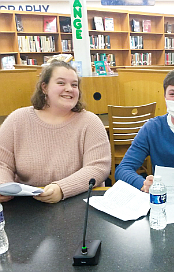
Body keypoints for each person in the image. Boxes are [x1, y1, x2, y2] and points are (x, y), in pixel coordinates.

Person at [0, 61, 111, 203]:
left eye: (74, 85)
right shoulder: (17, 119)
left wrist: (62, 188)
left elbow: (98, 167)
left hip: (79, 202)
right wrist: (3, 186)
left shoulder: (90, 122)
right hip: (27, 205)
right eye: (61, 83)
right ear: (44, 87)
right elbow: (2, 163)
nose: (69, 89)